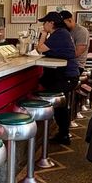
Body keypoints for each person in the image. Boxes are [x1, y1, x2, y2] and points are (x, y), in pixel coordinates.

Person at [36, 11, 80, 145]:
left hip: (67, 76)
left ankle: (63, 134)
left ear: (51, 23)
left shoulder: (59, 34)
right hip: (67, 75)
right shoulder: (62, 33)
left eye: (45, 22)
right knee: (60, 104)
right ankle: (63, 133)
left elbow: (40, 48)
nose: (43, 25)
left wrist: (43, 34)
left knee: (60, 105)